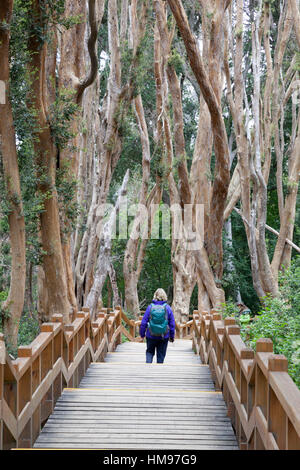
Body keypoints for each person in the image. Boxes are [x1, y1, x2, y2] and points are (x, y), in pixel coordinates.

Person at [139, 288, 175, 364]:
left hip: (151, 335)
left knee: (149, 352)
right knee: (161, 355)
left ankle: (148, 368)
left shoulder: (150, 307)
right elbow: (172, 324)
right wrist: (172, 336)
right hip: (163, 336)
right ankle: (159, 372)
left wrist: (142, 335)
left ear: (155, 296)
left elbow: (143, 322)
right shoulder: (168, 308)